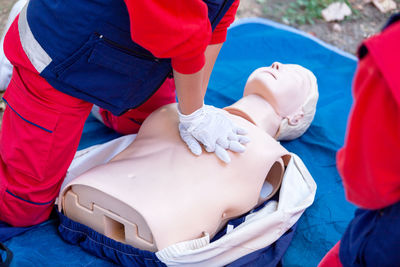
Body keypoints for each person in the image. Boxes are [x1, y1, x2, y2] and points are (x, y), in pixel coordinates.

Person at [0, 0, 249, 227]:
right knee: (22, 208)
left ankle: (98, 102)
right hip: (62, 51)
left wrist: (195, 110)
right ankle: (20, 61)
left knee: (148, 123)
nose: (278, 66)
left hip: (134, 54)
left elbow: (217, 22)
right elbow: (184, 38)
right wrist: (193, 112)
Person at [59, 62, 319, 252]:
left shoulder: (269, 154)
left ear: (296, 116)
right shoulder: (180, 111)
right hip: (86, 194)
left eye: (293, 73)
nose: (276, 64)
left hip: (152, 230)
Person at [319, 14, 400, 267]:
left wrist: (350, 161)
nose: (277, 65)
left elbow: (368, 185)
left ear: (295, 117)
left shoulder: (389, 59)